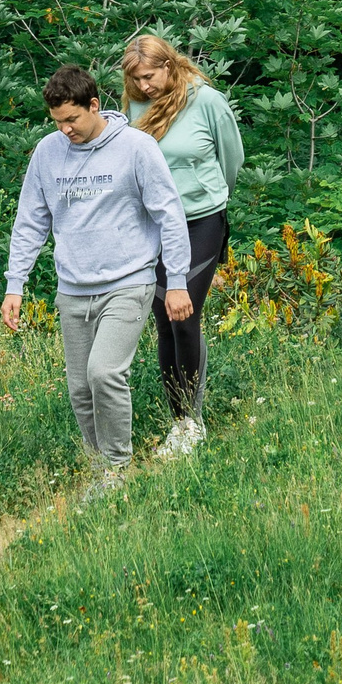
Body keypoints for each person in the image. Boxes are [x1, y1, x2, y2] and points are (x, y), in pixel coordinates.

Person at [2, 64, 193, 495]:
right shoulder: (47, 153)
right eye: (57, 122)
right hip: (73, 288)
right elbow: (30, 222)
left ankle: (117, 469)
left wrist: (178, 280)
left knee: (104, 373)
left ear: (93, 105)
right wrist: (16, 284)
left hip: (129, 281)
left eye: (72, 119)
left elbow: (169, 214)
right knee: (80, 390)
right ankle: (100, 468)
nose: (65, 129)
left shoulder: (136, 148)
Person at [121, 33, 242, 459]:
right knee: (164, 322)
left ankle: (192, 421)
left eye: (150, 76)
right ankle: (180, 420)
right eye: (136, 79)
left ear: (168, 66)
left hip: (201, 220)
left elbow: (232, 160)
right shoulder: (136, 104)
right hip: (155, 226)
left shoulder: (207, 101)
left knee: (184, 315)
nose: (144, 86)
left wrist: (211, 199)